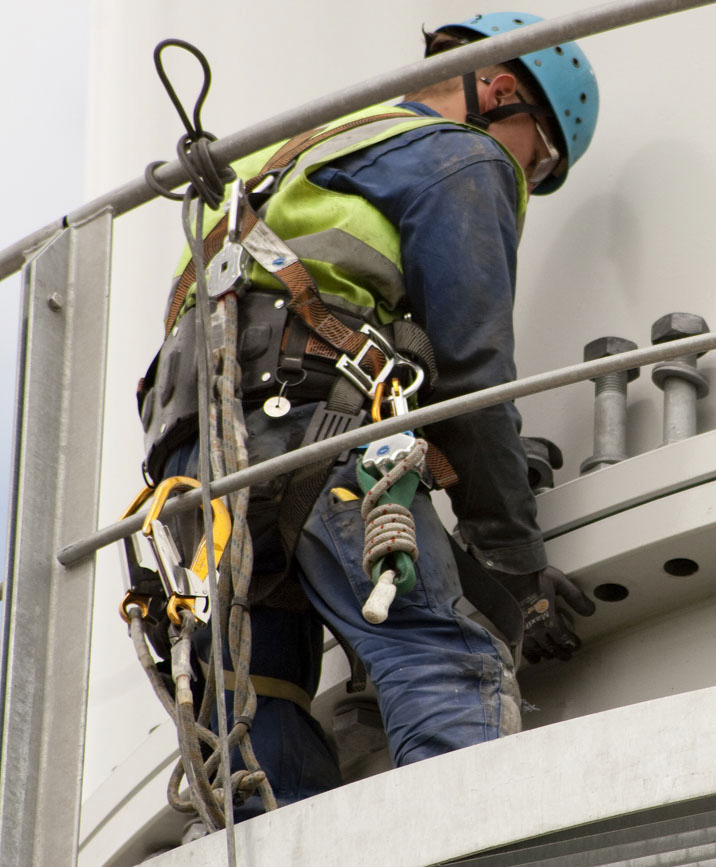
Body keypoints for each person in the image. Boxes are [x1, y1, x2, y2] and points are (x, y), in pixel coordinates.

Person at [137, 11, 599, 818]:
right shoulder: (461, 153)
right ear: (499, 92)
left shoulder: (280, 158)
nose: (532, 172)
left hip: (191, 472)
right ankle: (471, 836)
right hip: (311, 426)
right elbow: (474, 373)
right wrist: (517, 571)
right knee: (445, 658)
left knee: (256, 704)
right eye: (545, 155)